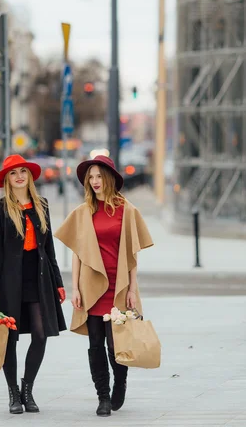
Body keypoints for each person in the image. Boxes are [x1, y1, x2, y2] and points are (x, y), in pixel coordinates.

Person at [54, 155, 153, 417]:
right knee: (96, 343)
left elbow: (133, 255)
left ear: (108, 178)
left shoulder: (127, 210)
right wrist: (74, 287)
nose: (95, 182)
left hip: (118, 286)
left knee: (116, 343)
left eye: (99, 176)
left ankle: (120, 383)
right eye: (91, 178)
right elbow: (77, 253)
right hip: (90, 285)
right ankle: (103, 397)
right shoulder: (83, 212)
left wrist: (132, 289)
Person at [0, 154, 66, 415]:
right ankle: (13, 395)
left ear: (29, 176)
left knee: (41, 335)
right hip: (9, 282)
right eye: (13, 173)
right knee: (11, 338)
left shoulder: (42, 205)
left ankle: (27, 389)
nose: (19, 176)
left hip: (39, 278)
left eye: (23, 171)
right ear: (7, 179)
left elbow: (49, 248)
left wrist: (58, 282)